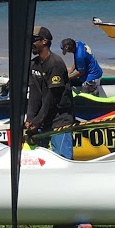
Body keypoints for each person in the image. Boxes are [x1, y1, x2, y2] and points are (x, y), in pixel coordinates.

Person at [24, 26, 72, 156]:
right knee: (40, 159)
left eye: (34, 40)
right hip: (43, 120)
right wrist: (30, 118)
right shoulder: (33, 65)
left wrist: (37, 120)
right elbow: (34, 93)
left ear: (44, 41)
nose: (31, 44)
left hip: (59, 120)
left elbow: (53, 97)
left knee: (63, 160)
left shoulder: (55, 64)